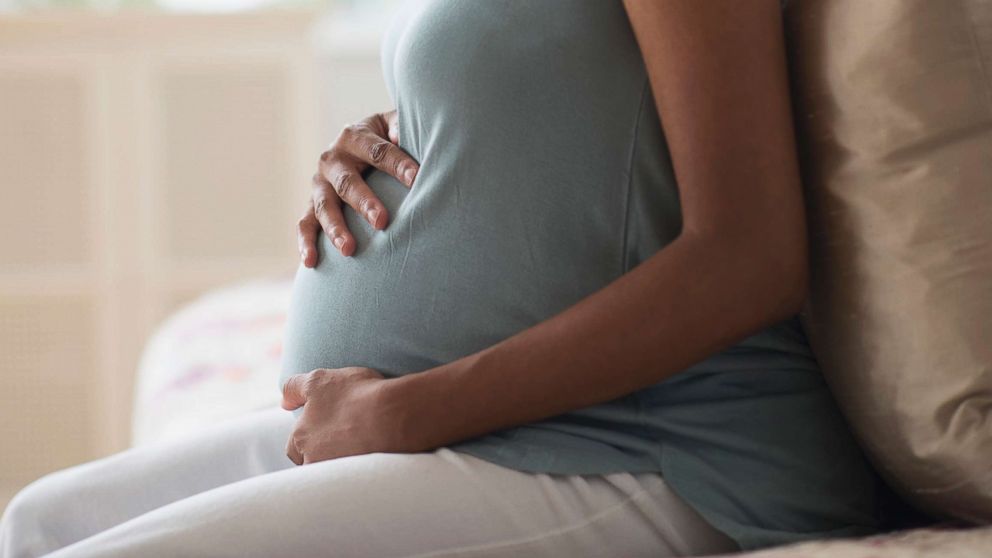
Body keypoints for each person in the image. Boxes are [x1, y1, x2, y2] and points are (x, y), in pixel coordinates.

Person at [0, 1, 880, 556]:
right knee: (37, 526)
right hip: (500, 429)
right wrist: (384, 136)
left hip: (653, 450)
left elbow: (749, 256)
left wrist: (408, 412)